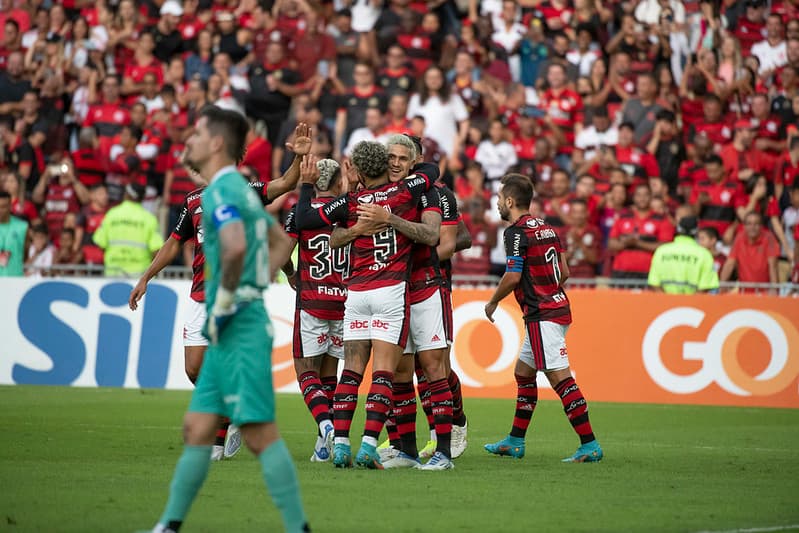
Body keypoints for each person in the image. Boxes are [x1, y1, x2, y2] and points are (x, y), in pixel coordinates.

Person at [144, 106, 308, 533]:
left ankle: (298, 527)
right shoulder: (229, 187)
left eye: (197, 132)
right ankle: (169, 525)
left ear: (216, 143)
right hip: (236, 320)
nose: (190, 139)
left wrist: (229, 302)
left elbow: (234, 247)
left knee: (260, 434)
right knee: (197, 427)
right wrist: (256, 285)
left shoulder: (220, 192)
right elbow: (276, 240)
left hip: (236, 325)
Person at [294, 140, 440, 470]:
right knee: (384, 373)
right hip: (390, 291)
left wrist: (308, 185)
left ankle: (341, 444)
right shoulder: (404, 192)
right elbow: (432, 171)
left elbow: (306, 219)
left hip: (357, 294)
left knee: (351, 371)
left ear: (357, 170)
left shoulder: (351, 201)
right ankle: (369, 444)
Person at [483, 173, 602, 463]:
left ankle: (589, 445)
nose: (498, 203)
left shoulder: (515, 233)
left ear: (510, 201)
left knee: (561, 379)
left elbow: (512, 276)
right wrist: (548, 288)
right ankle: (515, 441)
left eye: (499, 198)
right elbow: (565, 272)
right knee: (523, 373)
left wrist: (493, 301)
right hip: (558, 307)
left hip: (542, 314)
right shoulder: (548, 229)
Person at [281, 158, 348, 463]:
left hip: (312, 300)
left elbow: (284, 252)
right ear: (336, 184)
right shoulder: (349, 208)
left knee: (306, 372)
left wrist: (291, 272)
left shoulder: (300, 211)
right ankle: (324, 446)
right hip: (345, 302)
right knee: (329, 376)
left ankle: (327, 425)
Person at [92, 183, 163, 277]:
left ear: (126, 195)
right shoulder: (149, 219)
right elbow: (157, 251)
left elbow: (100, 242)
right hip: (140, 277)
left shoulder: (112, 214)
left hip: (113, 273)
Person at [647, 216, 720, 294]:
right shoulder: (704, 255)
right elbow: (705, 287)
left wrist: (667, 301)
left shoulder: (661, 251)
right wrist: (688, 304)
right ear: (696, 231)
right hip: (692, 304)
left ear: (678, 229)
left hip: (664, 303)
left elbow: (654, 283)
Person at [720, 211, 780, 286]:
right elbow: (730, 264)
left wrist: (774, 289)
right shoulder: (739, 238)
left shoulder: (769, 238)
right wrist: (721, 286)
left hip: (765, 290)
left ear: (761, 226)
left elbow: (773, 266)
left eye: (756, 224)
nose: (752, 227)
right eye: (749, 224)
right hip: (744, 289)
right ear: (744, 226)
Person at [0, 190, 28, 276]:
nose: (0, 210)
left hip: (15, 279)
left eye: (3, 206)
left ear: (10, 206)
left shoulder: (23, 227)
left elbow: (26, 252)